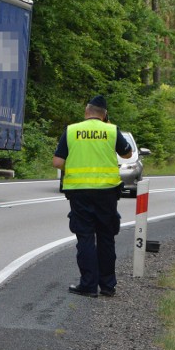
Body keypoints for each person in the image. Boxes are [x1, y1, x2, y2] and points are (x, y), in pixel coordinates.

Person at [53, 96, 132, 298]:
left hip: (79, 192)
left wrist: (74, 166)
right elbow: (127, 154)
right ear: (104, 115)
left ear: (86, 111)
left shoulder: (72, 130)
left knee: (85, 237)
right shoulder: (111, 130)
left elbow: (57, 162)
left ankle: (88, 285)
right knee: (106, 237)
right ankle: (107, 286)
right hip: (107, 192)